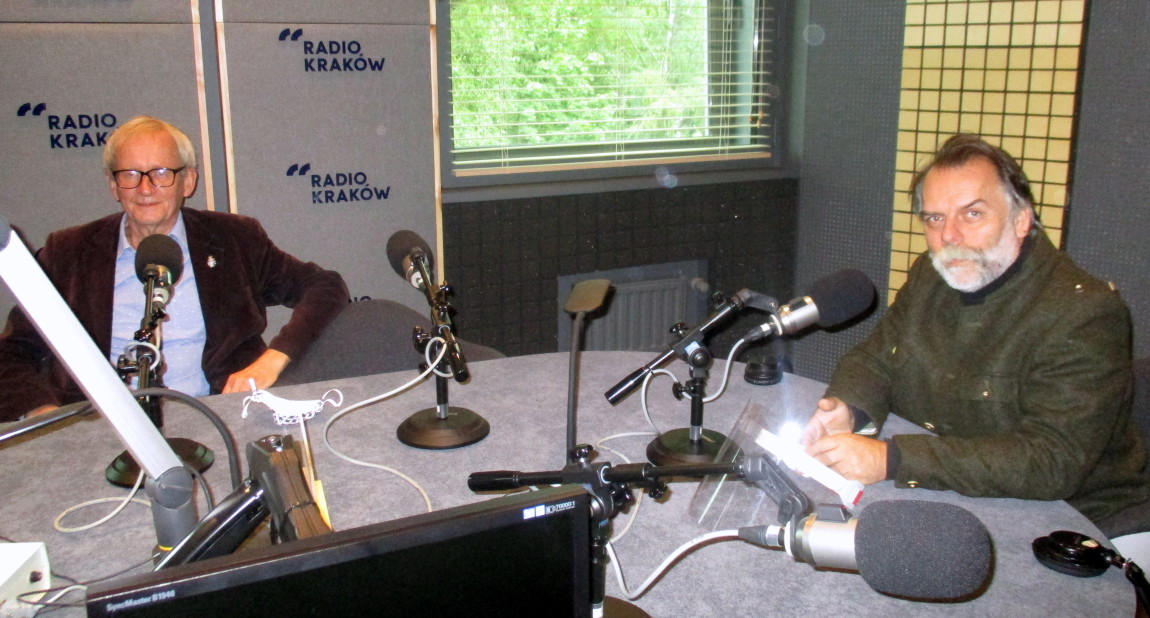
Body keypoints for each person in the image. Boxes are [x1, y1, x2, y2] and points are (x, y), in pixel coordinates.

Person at [802, 134, 1150, 543]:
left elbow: (1051, 460)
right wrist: (850, 408)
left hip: (1072, 522)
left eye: (972, 214)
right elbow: (877, 358)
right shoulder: (931, 275)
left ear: (1021, 219)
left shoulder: (1083, 313)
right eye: (934, 219)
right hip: (963, 491)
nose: (949, 236)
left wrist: (894, 459)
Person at [0, 116, 348, 422]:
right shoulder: (70, 252)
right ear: (113, 186)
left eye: (162, 173)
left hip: (218, 417)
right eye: (130, 174)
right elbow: (12, 350)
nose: (146, 188)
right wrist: (45, 415)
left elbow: (324, 287)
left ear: (188, 181)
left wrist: (272, 359)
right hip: (100, 427)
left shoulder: (234, 240)